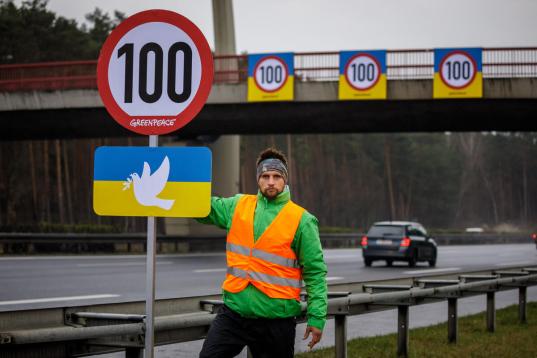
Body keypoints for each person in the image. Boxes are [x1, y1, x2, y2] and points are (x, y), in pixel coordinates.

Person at [198, 147, 327, 358]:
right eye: (265, 176)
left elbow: (315, 273)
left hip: (276, 321)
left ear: (285, 180)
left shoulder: (302, 220)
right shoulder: (237, 206)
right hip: (235, 314)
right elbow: (203, 208)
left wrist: (316, 318)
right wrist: (176, 194)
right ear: (258, 179)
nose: (271, 181)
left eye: (277, 176)